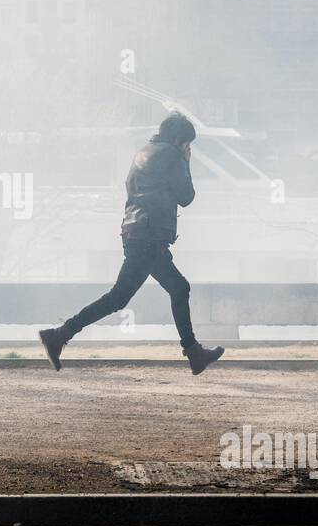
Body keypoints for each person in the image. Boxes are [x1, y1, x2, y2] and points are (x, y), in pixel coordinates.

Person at [38, 111, 225, 375]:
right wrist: (185, 162)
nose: (187, 148)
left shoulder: (143, 152)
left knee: (128, 296)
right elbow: (186, 196)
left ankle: (59, 336)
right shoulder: (172, 156)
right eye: (186, 143)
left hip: (136, 233)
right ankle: (193, 353)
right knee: (172, 289)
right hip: (149, 236)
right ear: (178, 140)